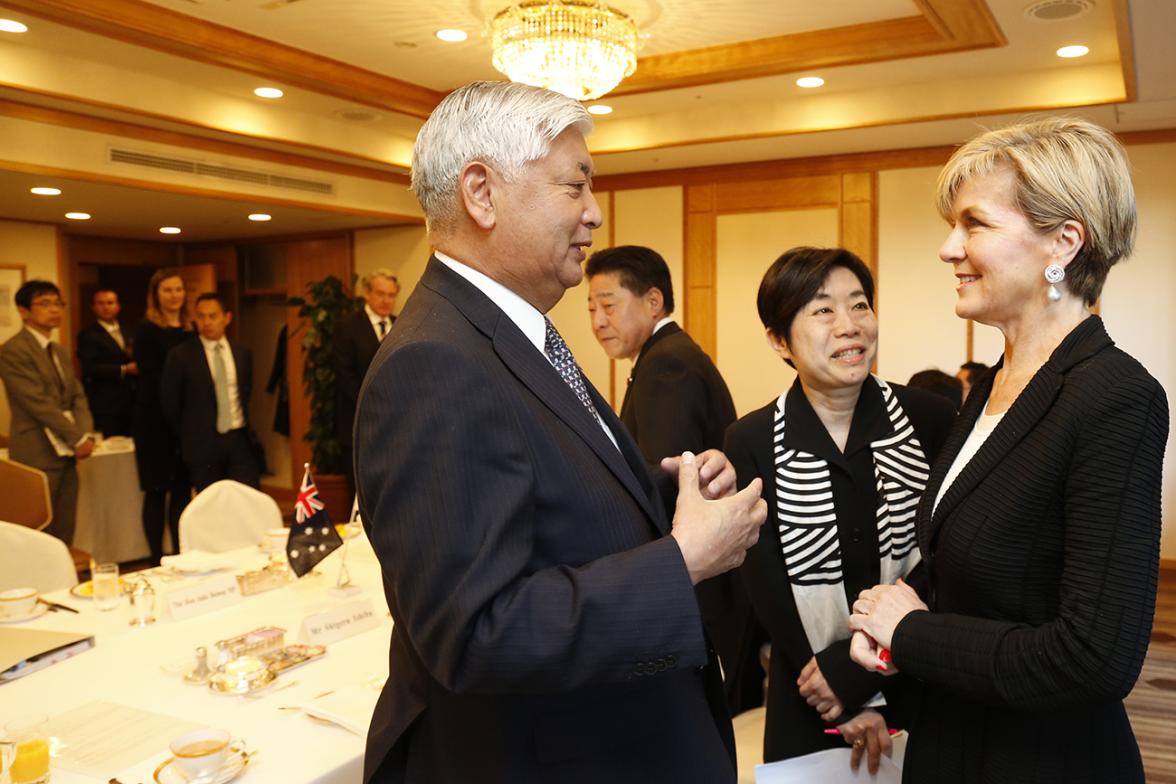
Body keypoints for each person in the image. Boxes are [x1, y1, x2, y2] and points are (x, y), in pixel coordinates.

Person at [355, 80, 767, 784]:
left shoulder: (510, 334)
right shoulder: (434, 362)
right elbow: (478, 632)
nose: (595, 215)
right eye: (574, 188)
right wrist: (683, 561)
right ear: (481, 194)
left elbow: (546, 503)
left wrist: (668, 499)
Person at [847, 117, 1168, 784]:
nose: (947, 247)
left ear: (1063, 242)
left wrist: (909, 633)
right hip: (954, 737)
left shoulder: (1116, 395)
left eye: (974, 224)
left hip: (1042, 760)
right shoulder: (992, 385)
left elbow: (1094, 657)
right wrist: (884, 625)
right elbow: (959, 567)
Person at [723, 247, 954, 772]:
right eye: (823, 310)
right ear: (779, 339)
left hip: (915, 671)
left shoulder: (929, 420)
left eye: (860, 305)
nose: (849, 326)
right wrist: (833, 685)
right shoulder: (752, 439)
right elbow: (765, 581)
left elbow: (946, 554)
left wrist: (862, 674)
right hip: (809, 686)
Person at [586, 244, 760, 715]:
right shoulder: (666, 355)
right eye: (591, 308)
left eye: (608, 304)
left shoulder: (667, 364)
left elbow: (665, 480)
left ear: (653, 301)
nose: (598, 320)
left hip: (698, 581)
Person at [0, 280, 96, 544]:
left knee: (65, 527)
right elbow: (37, 403)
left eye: (58, 303)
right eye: (45, 304)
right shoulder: (13, 351)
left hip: (67, 453)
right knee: (37, 533)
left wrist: (85, 434)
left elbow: (77, 395)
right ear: (23, 311)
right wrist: (77, 439)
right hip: (37, 451)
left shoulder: (59, 351)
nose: (54, 310)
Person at [161, 293, 260, 491]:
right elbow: (170, 403)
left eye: (212, 316)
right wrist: (189, 435)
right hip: (202, 443)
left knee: (246, 498)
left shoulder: (241, 352)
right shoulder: (181, 355)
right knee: (212, 505)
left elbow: (245, 391)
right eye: (201, 316)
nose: (206, 322)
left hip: (238, 437)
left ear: (227, 318)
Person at [132, 268, 195, 564]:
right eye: (167, 290)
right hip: (154, 422)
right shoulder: (146, 329)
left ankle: (179, 554)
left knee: (182, 491)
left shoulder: (190, 329)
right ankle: (156, 558)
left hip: (184, 422)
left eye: (179, 290)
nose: (174, 296)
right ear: (156, 295)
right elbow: (152, 378)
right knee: (157, 492)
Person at [333, 269, 399, 500]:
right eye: (381, 294)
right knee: (361, 493)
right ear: (367, 293)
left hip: (395, 425)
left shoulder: (401, 324)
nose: (386, 300)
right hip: (358, 420)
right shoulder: (347, 326)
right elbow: (344, 375)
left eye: (391, 295)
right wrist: (373, 406)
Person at [76, 288, 137, 437]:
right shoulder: (88, 335)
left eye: (110, 303)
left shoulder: (129, 331)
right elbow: (90, 368)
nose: (106, 307)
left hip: (131, 400)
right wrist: (123, 369)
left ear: (118, 306)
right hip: (105, 401)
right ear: (94, 307)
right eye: (101, 303)